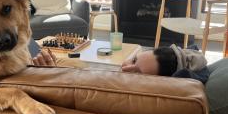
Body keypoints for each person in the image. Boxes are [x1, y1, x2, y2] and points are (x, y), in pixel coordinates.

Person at [32, 44, 210, 84]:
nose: (125, 68)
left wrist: (49, 73)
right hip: (62, 66)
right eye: (133, 61)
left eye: (136, 73)